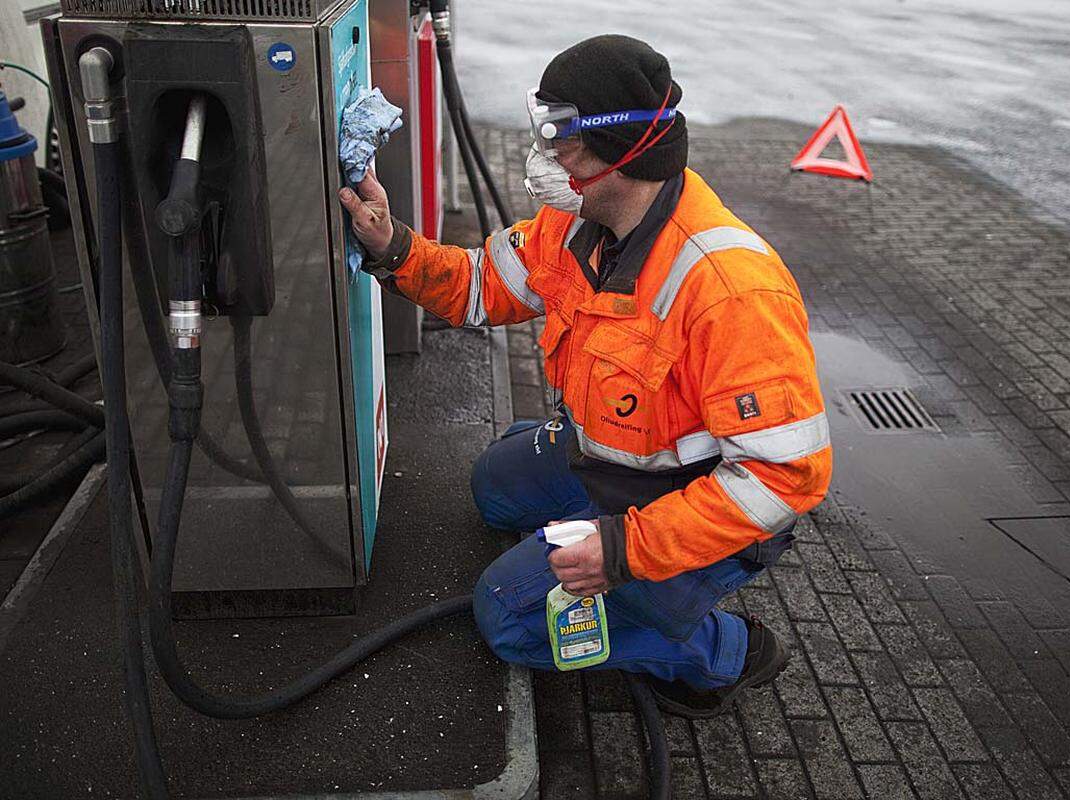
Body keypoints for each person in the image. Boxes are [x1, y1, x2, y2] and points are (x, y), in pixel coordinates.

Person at [338, 34, 832, 719]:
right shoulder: (575, 227)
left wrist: (625, 549)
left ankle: (723, 653)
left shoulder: (730, 290)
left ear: (622, 149)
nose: (544, 154)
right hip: (605, 459)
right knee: (494, 489)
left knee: (505, 615)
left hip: (683, 503)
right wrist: (393, 246)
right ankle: (589, 537)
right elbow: (482, 286)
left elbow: (786, 477)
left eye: (558, 133)